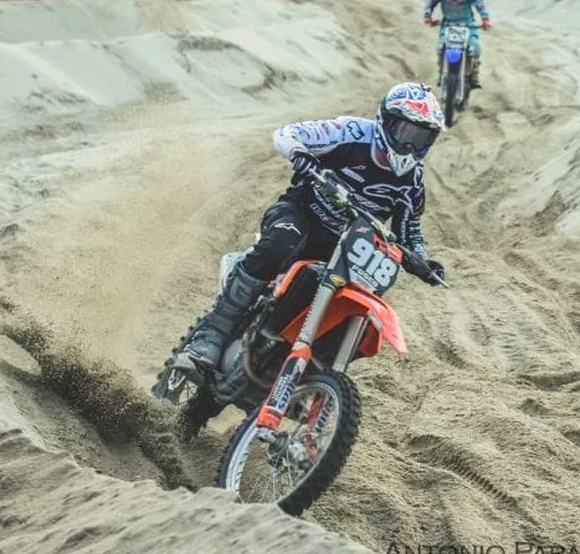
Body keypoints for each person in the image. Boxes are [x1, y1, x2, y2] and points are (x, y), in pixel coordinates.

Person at [171, 82, 448, 375]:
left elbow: (409, 231)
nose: (410, 145)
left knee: (362, 297)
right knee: (281, 243)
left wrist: (422, 260)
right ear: (386, 121)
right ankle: (212, 333)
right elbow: (288, 133)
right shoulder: (352, 132)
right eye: (406, 132)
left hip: (348, 246)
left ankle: (313, 372)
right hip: (302, 214)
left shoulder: (413, 182)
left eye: (421, 137)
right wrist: (300, 154)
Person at [423, 0, 491, 90]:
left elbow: (479, 4)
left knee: (475, 47)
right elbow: (430, 2)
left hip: (468, 24)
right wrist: (427, 16)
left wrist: (485, 19)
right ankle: (441, 73)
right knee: (440, 47)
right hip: (448, 24)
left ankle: (474, 75)